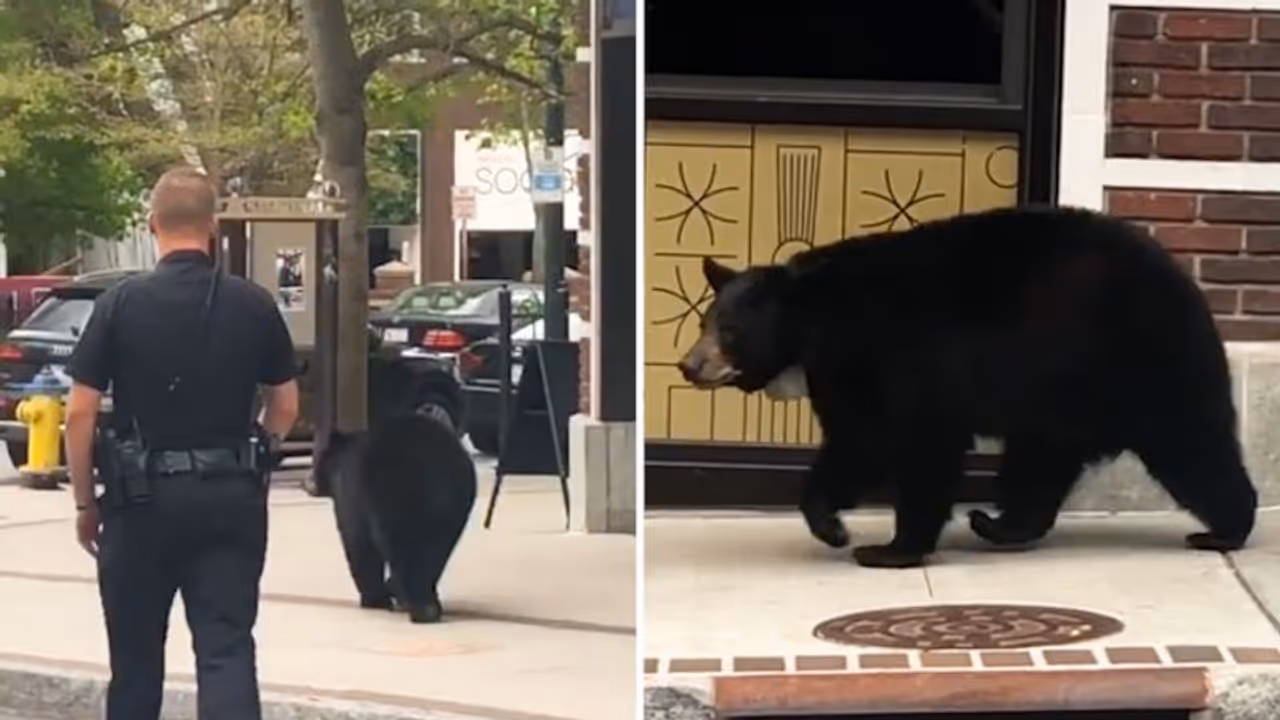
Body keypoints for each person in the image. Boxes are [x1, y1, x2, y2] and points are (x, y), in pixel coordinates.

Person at [63, 166, 300, 720]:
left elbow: (79, 413)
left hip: (139, 501)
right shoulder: (253, 303)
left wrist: (84, 502)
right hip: (230, 498)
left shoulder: (119, 305)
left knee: (136, 658)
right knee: (226, 649)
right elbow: (286, 403)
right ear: (212, 228)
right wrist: (258, 451)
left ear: (152, 225)